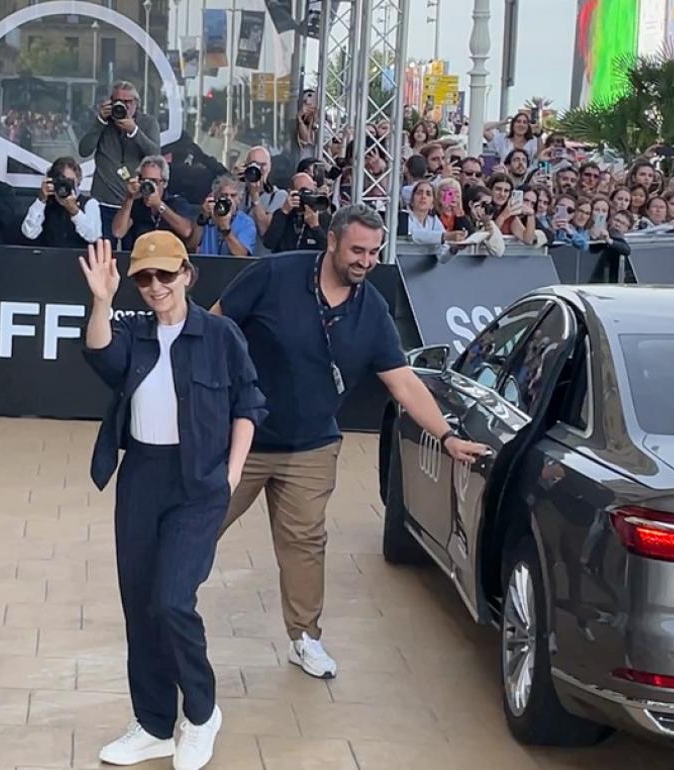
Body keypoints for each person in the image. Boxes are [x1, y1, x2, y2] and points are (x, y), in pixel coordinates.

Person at [213, 204, 489, 679]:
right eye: (357, 250)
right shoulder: (274, 275)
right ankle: (168, 610)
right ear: (333, 242)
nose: (365, 260)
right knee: (199, 521)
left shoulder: (372, 310)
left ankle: (305, 638)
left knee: (305, 542)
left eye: (374, 252)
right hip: (243, 438)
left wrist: (445, 435)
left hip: (312, 447)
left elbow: (402, 381)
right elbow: (215, 327)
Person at [80, 232, 265, 770]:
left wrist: (231, 475)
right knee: (140, 604)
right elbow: (98, 353)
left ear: (187, 274)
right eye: (144, 278)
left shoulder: (220, 334)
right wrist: (101, 299)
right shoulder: (133, 333)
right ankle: (155, 725)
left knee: (171, 600)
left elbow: (249, 402)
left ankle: (202, 714)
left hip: (200, 484)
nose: (156, 287)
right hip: (141, 476)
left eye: (165, 274)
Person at [78, 82, 162, 238]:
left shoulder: (148, 123)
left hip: (135, 203)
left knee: (132, 253)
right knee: (104, 251)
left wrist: (134, 130)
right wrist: (100, 122)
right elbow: (84, 150)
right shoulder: (104, 122)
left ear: (136, 103)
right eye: (117, 101)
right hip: (103, 201)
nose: (122, 106)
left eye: (127, 102)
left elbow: (155, 155)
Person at [111, 155, 194, 248]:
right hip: (141, 257)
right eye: (144, 180)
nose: (149, 185)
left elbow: (186, 231)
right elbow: (118, 232)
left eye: (154, 181)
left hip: (168, 258)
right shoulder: (136, 205)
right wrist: (129, 197)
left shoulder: (176, 203)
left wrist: (159, 205)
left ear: (164, 183)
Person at [21, 156, 102, 247]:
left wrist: (75, 211)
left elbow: (93, 236)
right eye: (61, 181)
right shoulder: (46, 203)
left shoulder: (89, 203)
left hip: (78, 258)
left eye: (69, 181)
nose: (64, 186)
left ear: (78, 180)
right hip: (50, 258)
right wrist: (41, 201)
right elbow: (29, 233)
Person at [236, 146, 287, 255]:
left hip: (261, 261)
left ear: (269, 167)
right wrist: (233, 180)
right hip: (235, 259)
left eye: (263, 165)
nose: (258, 169)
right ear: (245, 166)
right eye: (254, 165)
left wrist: (255, 195)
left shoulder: (278, 196)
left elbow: (265, 231)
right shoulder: (237, 193)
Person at [190, 175, 257, 257]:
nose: (228, 200)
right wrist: (202, 219)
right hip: (206, 266)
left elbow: (242, 255)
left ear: (239, 199)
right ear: (216, 197)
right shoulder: (207, 216)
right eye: (224, 195)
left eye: (233, 195)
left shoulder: (246, 222)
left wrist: (225, 229)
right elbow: (191, 246)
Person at [264, 173, 333, 253]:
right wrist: (284, 212)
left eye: (309, 192)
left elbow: (329, 250)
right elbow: (269, 243)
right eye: (302, 192)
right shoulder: (282, 215)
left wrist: (315, 227)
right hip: (285, 262)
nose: (305, 197)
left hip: (311, 263)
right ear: (291, 192)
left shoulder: (322, 216)